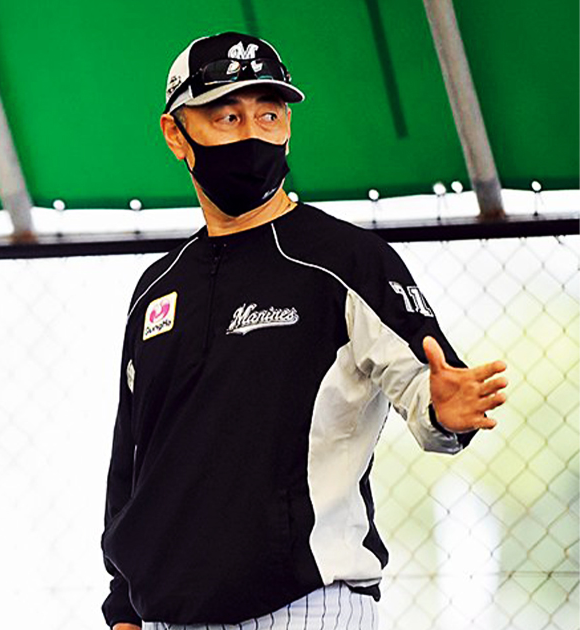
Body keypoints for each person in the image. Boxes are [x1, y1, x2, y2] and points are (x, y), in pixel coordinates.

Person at [101, 32, 508, 630]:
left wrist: (444, 411)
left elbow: (427, 385)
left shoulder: (347, 260)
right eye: (227, 117)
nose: (252, 133)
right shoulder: (156, 287)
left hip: (309, 606)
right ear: (176, 133)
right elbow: (132, 460)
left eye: (269, 115)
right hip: (162, 616)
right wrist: (122, 606)